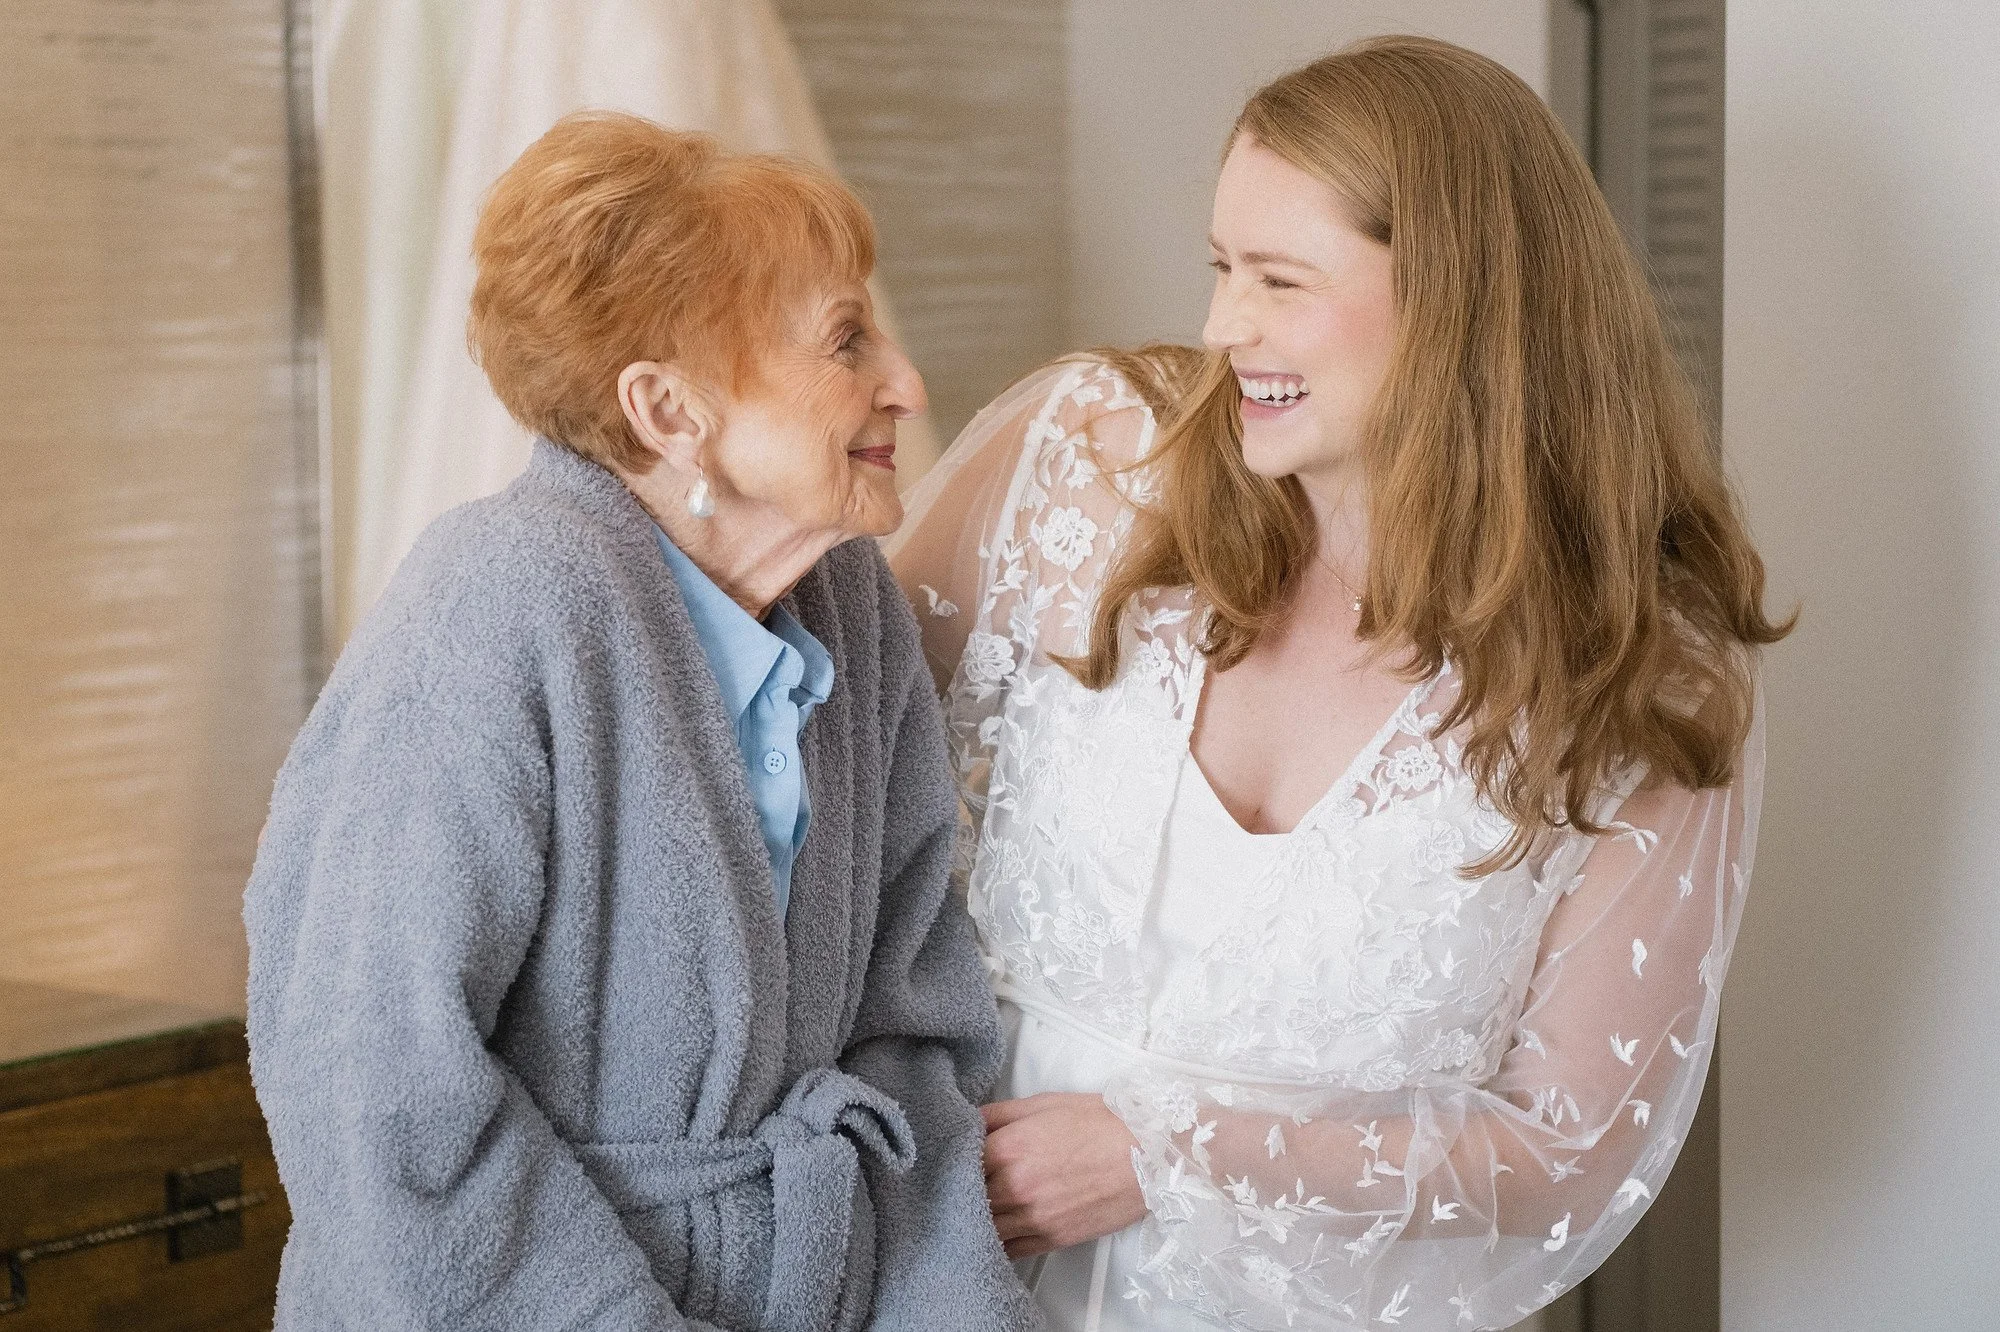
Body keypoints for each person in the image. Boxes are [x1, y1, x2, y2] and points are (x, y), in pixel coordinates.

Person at [888, 36, 1790, 1332]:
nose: (1222, 326)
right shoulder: (1083, 459)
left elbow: (1568, 1146)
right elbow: (810, 751)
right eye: (1221, 267)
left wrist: (1165, 1153)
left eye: (1279, 280)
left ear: (1456, 302)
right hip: (934, 1270)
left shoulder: (1637, 678)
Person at [245, 111, 1039, 1332]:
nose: (906, 383)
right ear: (669, 411)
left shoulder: (848, 605)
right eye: (845, 341)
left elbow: (914, 1033)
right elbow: (377, 1090)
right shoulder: (496, 601)